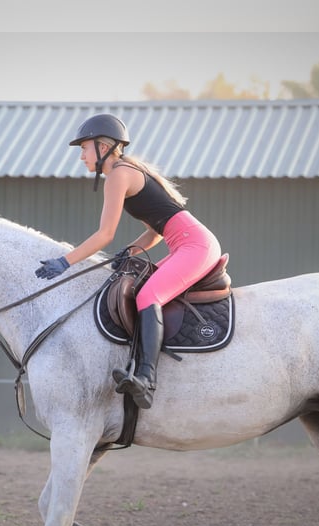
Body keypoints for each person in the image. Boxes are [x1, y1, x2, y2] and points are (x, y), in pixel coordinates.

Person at [35, 113, 222, 409]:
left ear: (103, 146)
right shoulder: (126, 171)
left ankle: (146, 379)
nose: (81, 156)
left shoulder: (118, 175)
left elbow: (104, 234)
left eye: (84, 148)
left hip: (194, 245)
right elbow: (155, 232)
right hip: (187, 243)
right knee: (137, 290)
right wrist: (131, 251)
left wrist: (65, 261)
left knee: (148, 295)